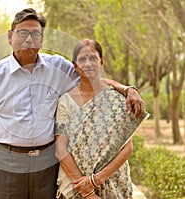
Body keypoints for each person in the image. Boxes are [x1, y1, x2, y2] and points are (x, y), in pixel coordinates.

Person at [0, 8, 145, 199]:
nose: (29, 39)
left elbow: (89, 77)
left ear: (42, 39)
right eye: (23, 33)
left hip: (46, 163)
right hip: (6, 160)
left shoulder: (58, 67)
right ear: (10, 37)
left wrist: (127, 89)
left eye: (35, 34)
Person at [55, 39, 149, 199]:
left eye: (93, 58)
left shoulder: (117, 99)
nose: (88, 64)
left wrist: (94, 180)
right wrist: (87, 191)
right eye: (82, 59)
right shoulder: (66, 102)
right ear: (75, 66)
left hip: (114, 182)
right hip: (75, 185)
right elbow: (61, 149)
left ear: (101, 62)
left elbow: (127, 148)